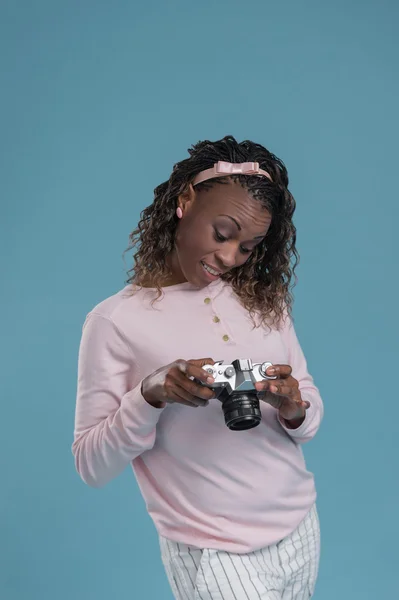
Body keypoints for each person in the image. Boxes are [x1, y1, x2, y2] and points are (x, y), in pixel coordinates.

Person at [72, 135, 323, 599]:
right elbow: (91, 465)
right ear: (186, 200)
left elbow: (308, 412)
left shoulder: (263, 300)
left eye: (249, 247)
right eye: (222, 233)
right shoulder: (114, 321)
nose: (230, 258)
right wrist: (149, 395)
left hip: (298, 525)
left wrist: (293, 405)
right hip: (211, 548)